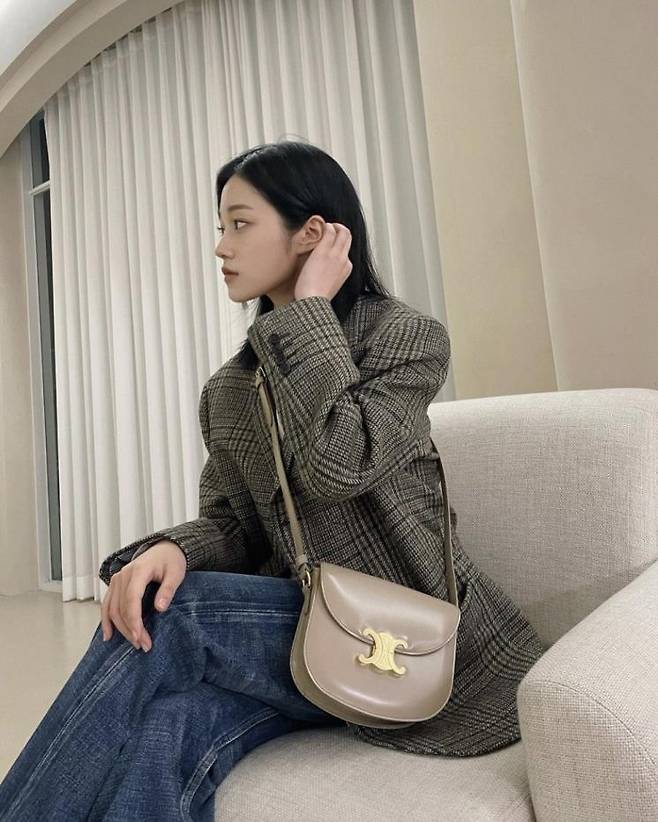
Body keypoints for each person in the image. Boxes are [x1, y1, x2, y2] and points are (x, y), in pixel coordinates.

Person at [0, 140, 546, 821]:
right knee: (170, 723)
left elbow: (341, 462)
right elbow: (235, 524)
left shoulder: (403, 339)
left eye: (240, 224)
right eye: (220, 227)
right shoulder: (230, 390)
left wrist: (308, 310)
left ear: (312, 234)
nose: (221, 246)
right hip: (304, 644)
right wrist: (175, 548)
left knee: (176, 615)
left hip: (407, 642)